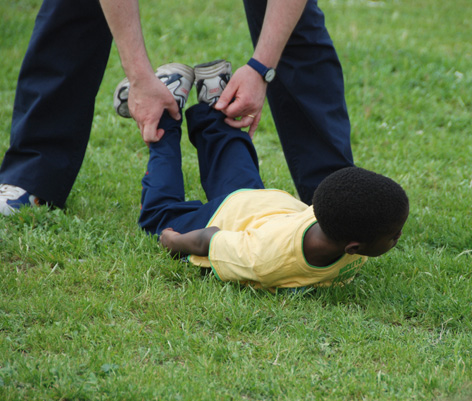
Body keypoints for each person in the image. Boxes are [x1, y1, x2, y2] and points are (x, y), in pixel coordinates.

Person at [0, 0, 354, 216]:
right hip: (253, 219)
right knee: (73, 5)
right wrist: (139, 77)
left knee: (296, 22)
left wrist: (262, 68)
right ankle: (31, 175)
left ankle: (337, 196)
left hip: (243, 223)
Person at [117, 61, 409, 291]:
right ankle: (165, 115)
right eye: (394, 236)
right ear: (354, 249)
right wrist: (173, 242)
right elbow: (208, 240)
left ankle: (216, 103)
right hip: (231, 219)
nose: (398, 236)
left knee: (235, 171)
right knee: (159, 216)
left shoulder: (339, 222)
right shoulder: (266, 260)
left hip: (266, 206)